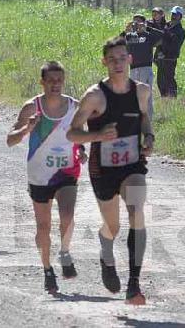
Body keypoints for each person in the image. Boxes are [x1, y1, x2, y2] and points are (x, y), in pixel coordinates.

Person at [66, 36, 155, 305]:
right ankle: (106, 247)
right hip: (102, 168)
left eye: (122, 58)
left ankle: (134, 284)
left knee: (137, 210)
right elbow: (72, 133)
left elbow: (144, 119)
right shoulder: (94, 96)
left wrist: (149, 138)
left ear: (130, 59)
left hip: (132, 164)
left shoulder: (141, 91)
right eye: (112, 59)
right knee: (113, 226)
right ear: (104, 62)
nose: (118, 63)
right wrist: (97, 136)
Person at [6, 61, 84, 296]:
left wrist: (81, 149)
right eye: (50, 81)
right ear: (42, 82)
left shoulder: (74, 106)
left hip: (66, 171)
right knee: (43, 226)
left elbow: (79, 133)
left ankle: (65, 252)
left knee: (67, 216)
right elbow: (10, 140)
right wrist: (27, 129)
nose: (55, 84)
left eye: (59, 80)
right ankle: (47, 269)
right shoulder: (32, 107)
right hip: (39, 174)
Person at [121, 14, 161, 117]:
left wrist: (146, 28)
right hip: (133, 69)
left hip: (146, 68)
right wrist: (126, 30)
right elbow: (117, 42)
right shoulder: (130, 36)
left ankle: (148, 120)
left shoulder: (148, 36)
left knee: (147, 95)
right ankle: (136, 120)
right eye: (134, 22)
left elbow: (161, 37)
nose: (136, 24)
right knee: (133, 95)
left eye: (138, 22)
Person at [154, 6, 185, 98]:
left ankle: (172, 99)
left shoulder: (180, 31)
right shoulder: (167, 26)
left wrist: (163, 52)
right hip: (160, 57)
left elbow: (174, 46)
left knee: (169, 80)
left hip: (170, 59)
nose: (173, 16)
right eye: (173, 14)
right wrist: (159, 52)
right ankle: (164, 98)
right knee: (160, 80)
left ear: (180, 16)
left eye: (176, 15)